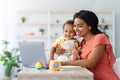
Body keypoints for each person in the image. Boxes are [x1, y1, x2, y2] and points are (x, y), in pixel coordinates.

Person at [56, 10, 119, 80]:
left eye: (79, 26)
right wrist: (60, 52)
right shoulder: (82, 42)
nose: (75, 29)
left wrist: (63, 63)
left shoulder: (100, 38)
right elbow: (76, 59)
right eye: (74, 26)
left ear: (89, 26)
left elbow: (90, 63)